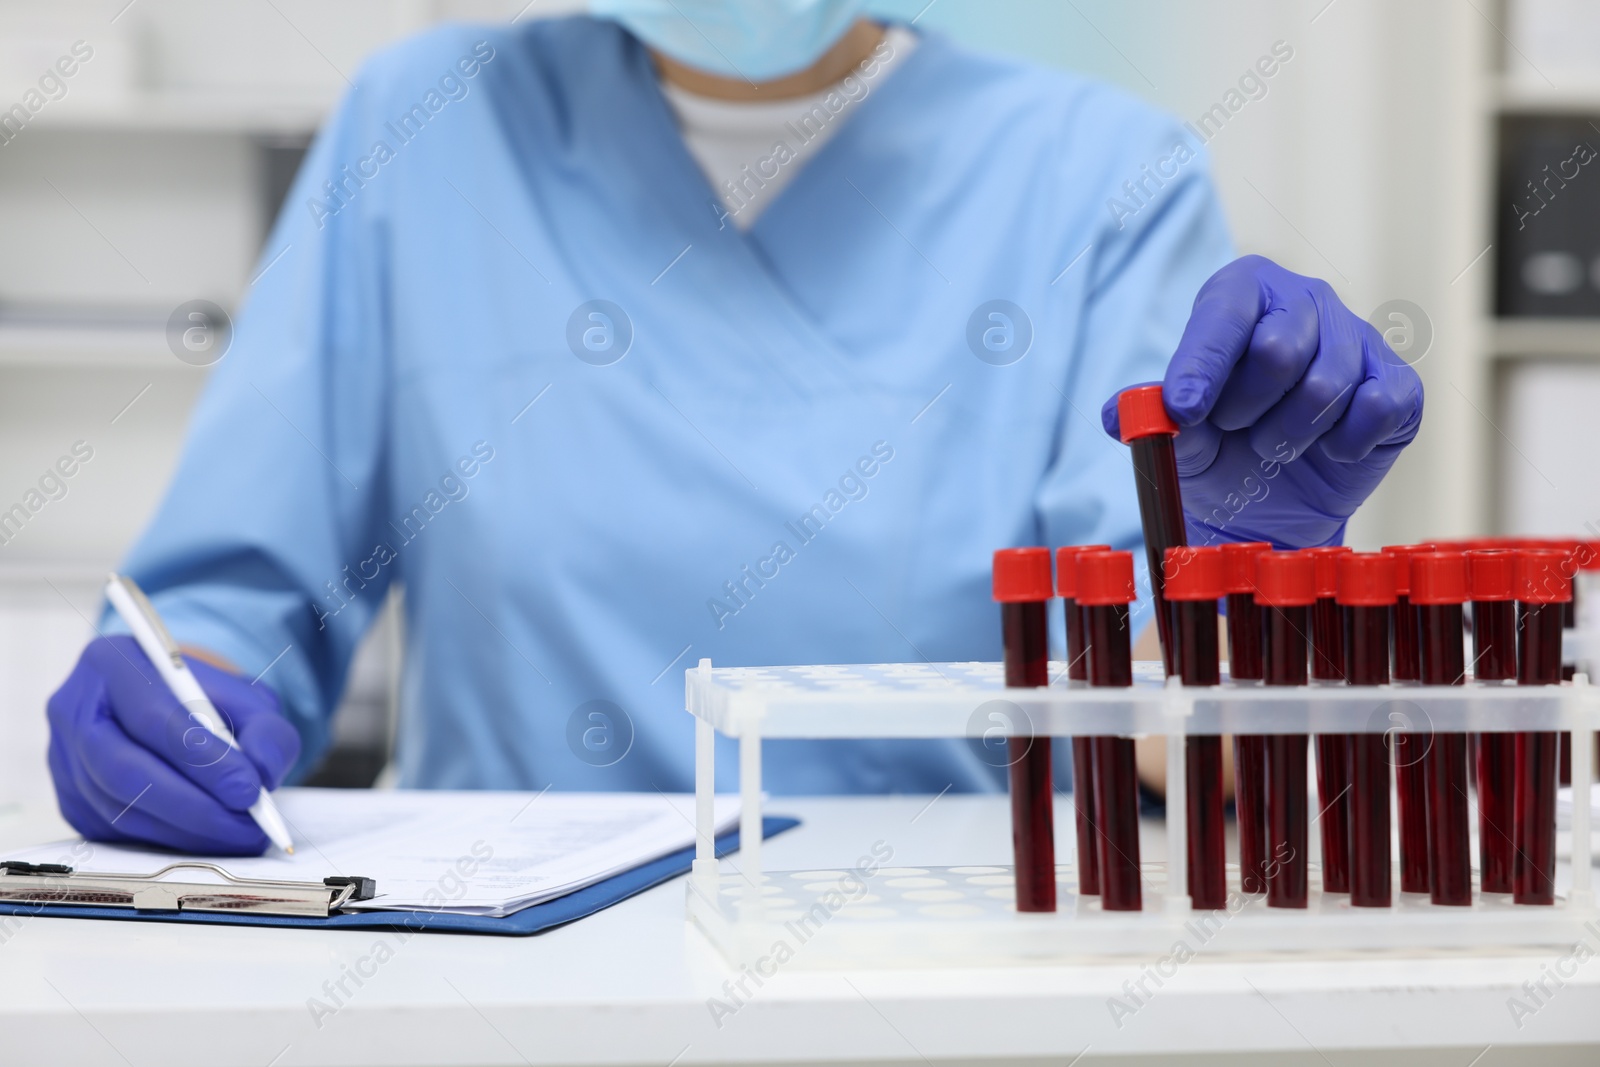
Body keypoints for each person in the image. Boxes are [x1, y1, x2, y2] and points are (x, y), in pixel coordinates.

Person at [45, 2, 1422, 854]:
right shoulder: (423, 126)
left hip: (945, 967)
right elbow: (244, 591)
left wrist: (1244, 602)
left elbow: (1187, 737)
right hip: (500, 976)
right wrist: (174, 698)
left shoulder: (1099, 177)